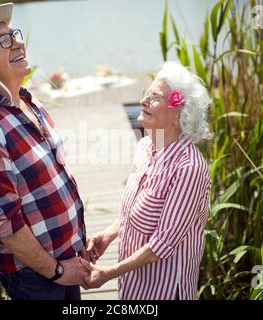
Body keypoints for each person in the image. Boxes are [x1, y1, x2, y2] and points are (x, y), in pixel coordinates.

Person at [0, 3, 91, 300]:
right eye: (3, 40)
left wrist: (77, 247)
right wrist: (57, 272)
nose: (18, 42)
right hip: (36, 276)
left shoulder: (26, 100)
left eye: (13, 34)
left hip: (65, 260)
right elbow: (7, 225)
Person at [82, 61, 213, 300]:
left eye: (154, 97)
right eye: (146, 94)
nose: (143, 101)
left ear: (177, 114)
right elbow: (134, 213)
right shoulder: (144, 147)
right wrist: (107, 236)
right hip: (133, 285)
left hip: (164, 290)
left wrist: (109, 272)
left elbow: (161, 244)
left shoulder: (189, 169)